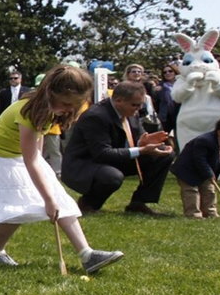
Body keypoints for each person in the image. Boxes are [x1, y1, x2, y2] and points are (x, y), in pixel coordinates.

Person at [0, 65, 124, 274]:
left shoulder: (48, 109)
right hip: (2, 157)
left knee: (61, 199)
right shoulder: (28, 112)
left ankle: (87, 254)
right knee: (18, 206)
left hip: (22, 155)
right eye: (66, 104)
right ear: (51, 93)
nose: (69, 110)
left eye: (74, 106)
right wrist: (47, 200)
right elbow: (30, 159)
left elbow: (38, 149)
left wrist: (48, 180)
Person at [62, 81, 175, 216]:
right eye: (135, 105)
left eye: (140, 105)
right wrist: (141, 150)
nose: (138, 109)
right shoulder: (96, 116)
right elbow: (102, 153)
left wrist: (143, 141)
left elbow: (137, 137)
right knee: (112, 176)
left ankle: (139, 203)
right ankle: (88, 204)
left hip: (113, 159)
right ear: (118, 100)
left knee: (164, 155)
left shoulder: (131, 112)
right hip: (83, 165)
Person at [170, 115, 220, 218]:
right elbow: (199, 159)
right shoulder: (204, 141)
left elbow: (217, 158)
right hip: (188, 170)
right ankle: (193, 213)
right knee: (191, 191)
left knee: (209, 191)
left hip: (204, 170)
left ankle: (210, 212)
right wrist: (209, 173)